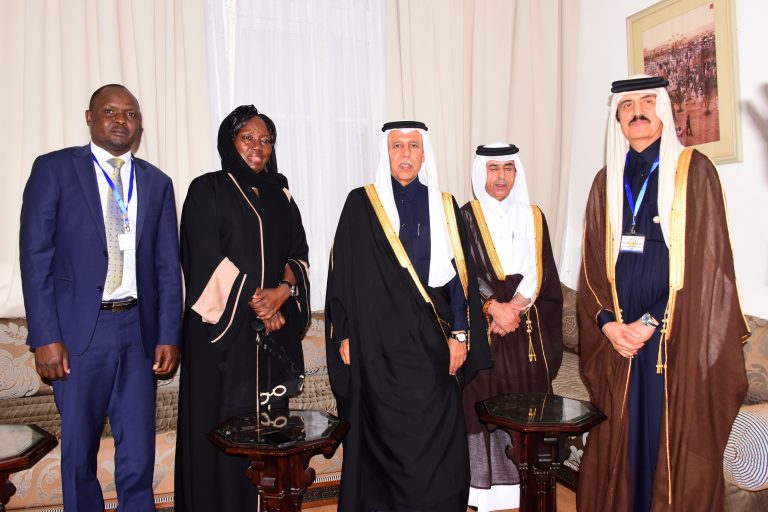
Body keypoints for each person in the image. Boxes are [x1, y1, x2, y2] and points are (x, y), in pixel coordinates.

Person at [577, 75, 749, 512]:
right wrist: (609, 326)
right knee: (621, 436)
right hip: (619, 342)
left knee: (665, 442)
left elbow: (707, 265)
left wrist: (649, 322)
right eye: (628, 104)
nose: (638, 110)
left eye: (648, 101)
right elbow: (592, 268)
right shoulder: (605, 182)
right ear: (617, 118)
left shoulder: (694, 171)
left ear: (664, 111)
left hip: (672, 339)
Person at [19, 84, 182, 511]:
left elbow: (167, 268)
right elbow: (35, 260)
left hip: (137, 332)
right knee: (79, 456)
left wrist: (169, 333)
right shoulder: (54, 171)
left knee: (138, 457)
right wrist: (45, 337)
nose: (120, 120)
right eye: (110, 111)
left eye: (130, 114)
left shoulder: (157, 183)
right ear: (89, 117)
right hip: (76, 336)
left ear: (139, 125)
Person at [325, 121, 491, 511]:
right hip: (375, 347)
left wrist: (461, 335)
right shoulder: (360, 204)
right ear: (386, 152)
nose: (405, 153)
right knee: (381, 434)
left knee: (435, 435)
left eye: (413, 146)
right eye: (397, 145)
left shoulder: (445, 205)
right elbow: (341, 273)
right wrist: (344, 334)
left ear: (424, 152)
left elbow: (459, 279)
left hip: (431, 344)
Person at [174, 105, 310, 511]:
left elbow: (298, 255)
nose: (258, 147)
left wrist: (283, 294)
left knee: (268, 437)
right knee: (222, 434)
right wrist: (259, 303)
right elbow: (203, 260)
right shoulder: (207, 190)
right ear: (229, 141)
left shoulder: (281, 194)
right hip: (222, 340)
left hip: (271, 339)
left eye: (266, 140)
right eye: (248, 138)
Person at [460, 143, 563, 511]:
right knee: (482, 399)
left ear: (516, 173)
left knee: (526, 403)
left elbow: (541, 267)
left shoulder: (534, 215)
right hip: (485, 327)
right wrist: (492, 307)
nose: (500, 176)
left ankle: (525, 488)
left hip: (525, 326)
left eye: (507, 168)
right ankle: (484, 492)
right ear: (480, 173)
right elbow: (464, 271)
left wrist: (515, 307)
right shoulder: (466, 216)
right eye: (492, 169)